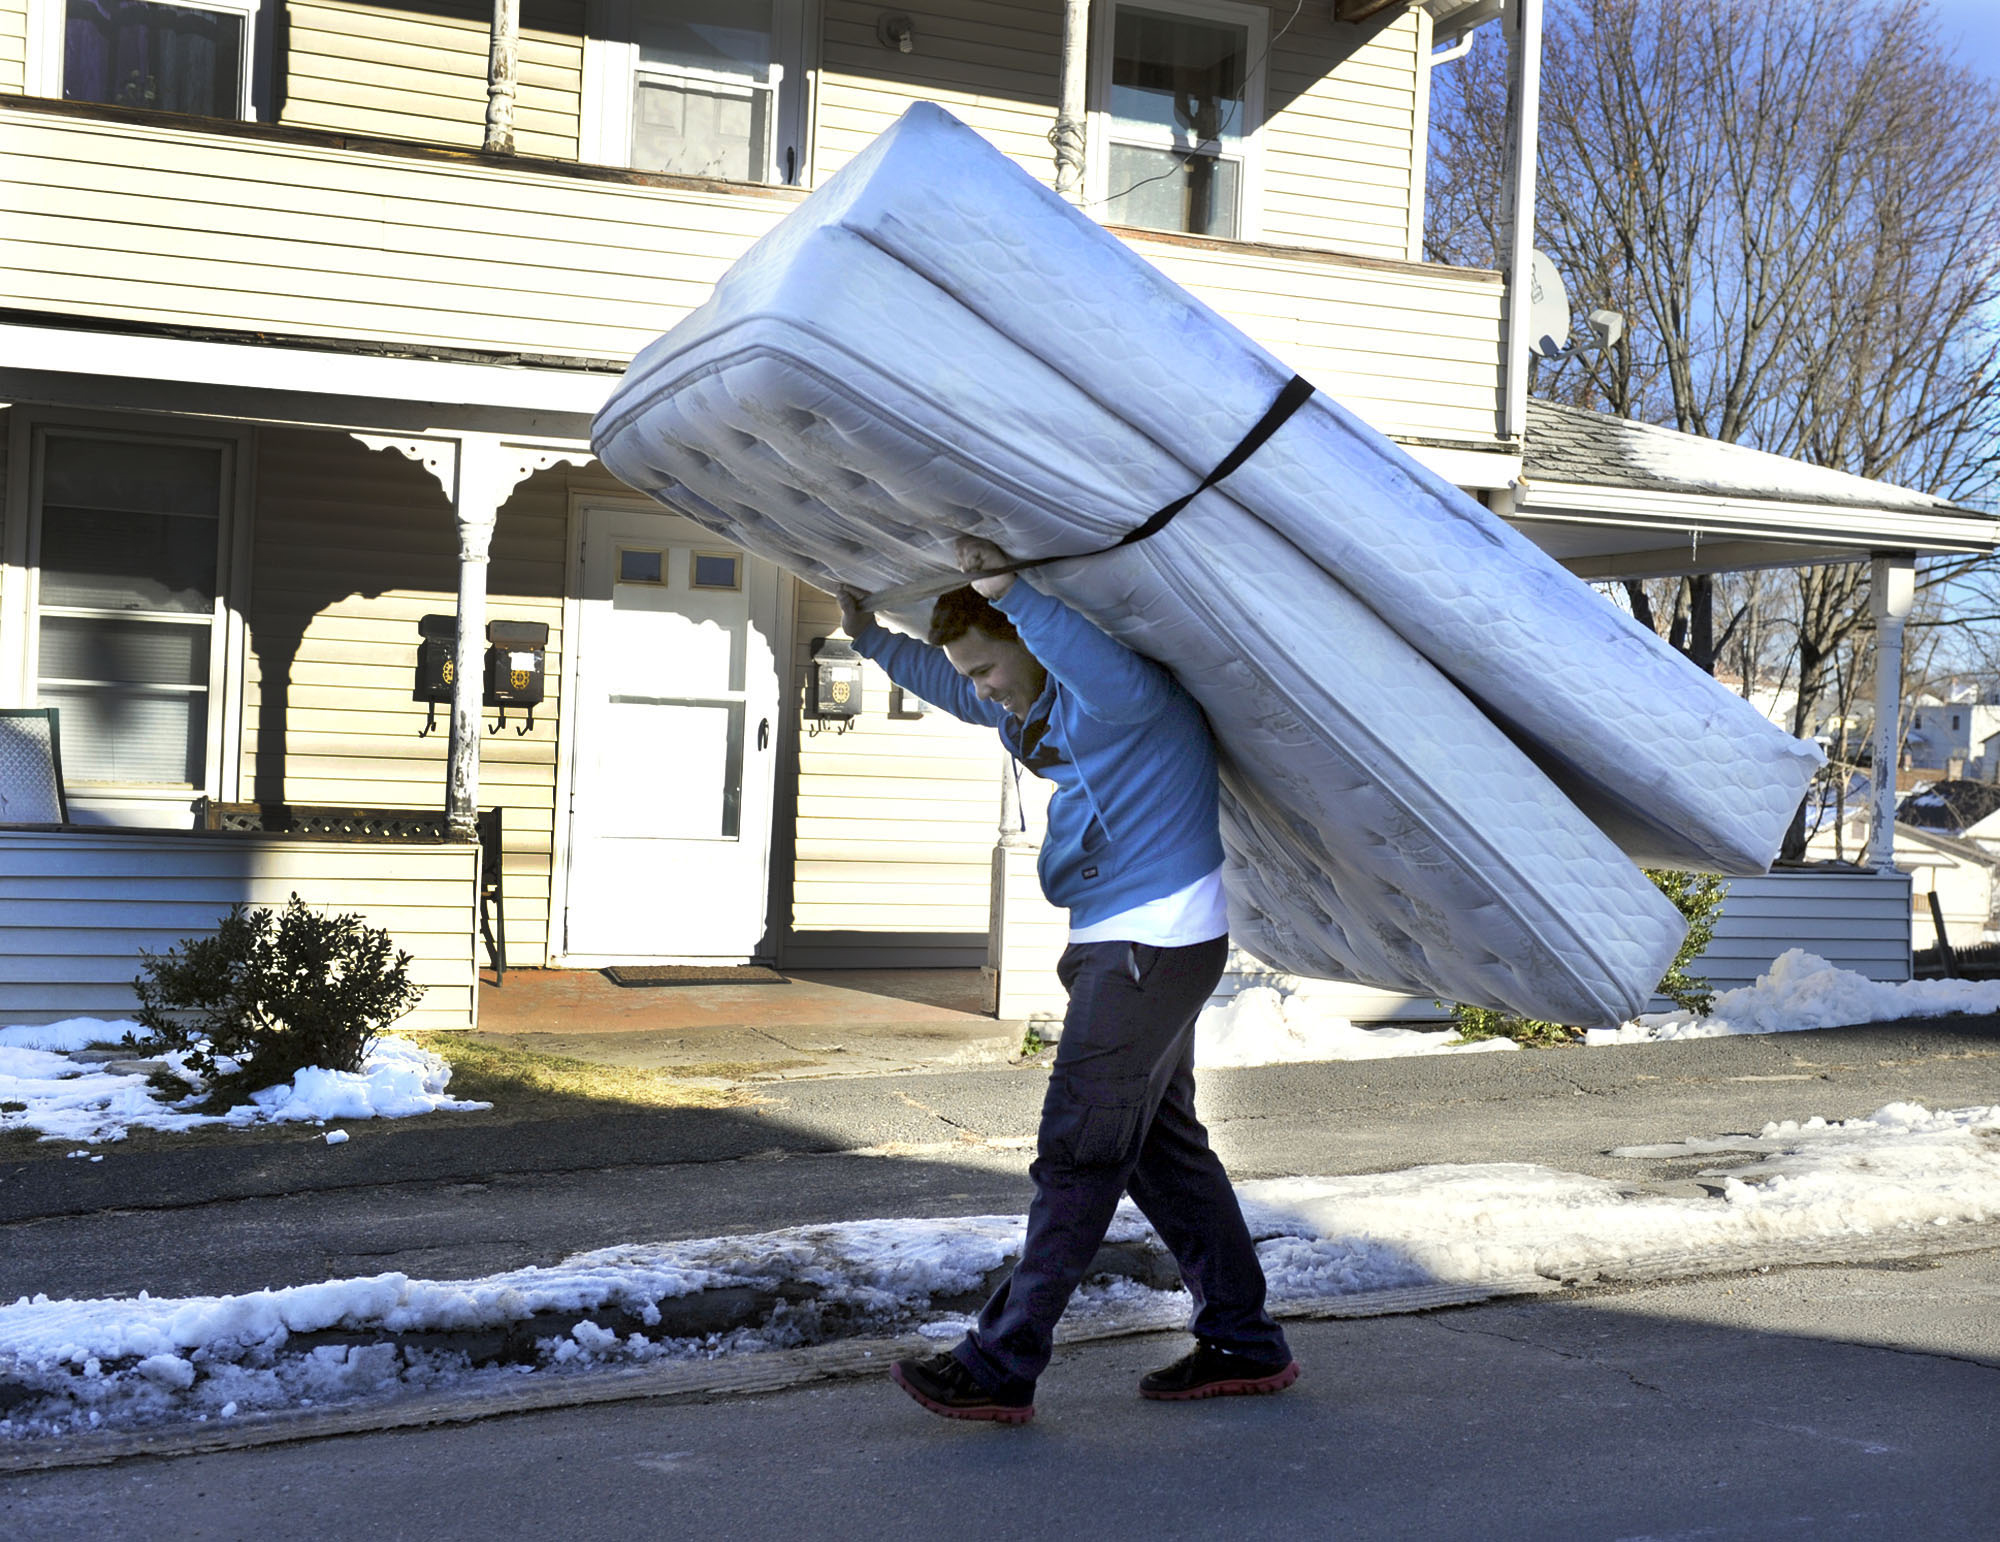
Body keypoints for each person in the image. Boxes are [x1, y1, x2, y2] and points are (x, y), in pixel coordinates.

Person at [838, 535, 1297, 1426]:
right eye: (972, 674)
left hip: (1149, 943)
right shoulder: (1044, 717)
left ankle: (1001, 1362)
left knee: (1080, 1152)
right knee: (1164, 1156)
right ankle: (1244, 1340)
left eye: (990, 667)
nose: (985, 688)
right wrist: (871, 639)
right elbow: (962, 694)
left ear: (1034, 641)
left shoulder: (1123, 700)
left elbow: (1074, 652)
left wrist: (1014, 587)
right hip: (1123, 942)